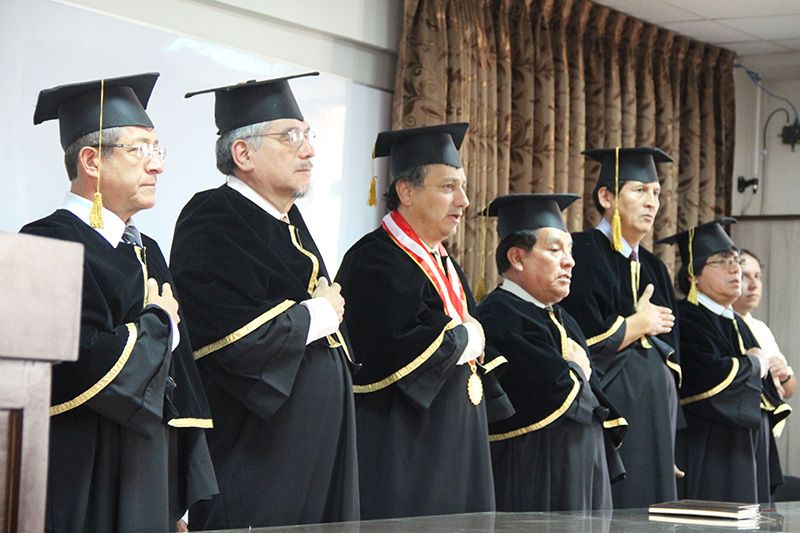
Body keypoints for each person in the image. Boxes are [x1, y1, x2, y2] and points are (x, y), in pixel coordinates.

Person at [20, 73, 217, 532]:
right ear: (91, 160)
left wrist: (176, 500)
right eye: (140, 150)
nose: (157, 166)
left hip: (149, 474)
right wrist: (157, 326)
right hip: (83, 473)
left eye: (157, 150)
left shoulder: (146, 249)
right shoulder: (46, 243)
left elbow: (179, 379)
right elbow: (75, 366)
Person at [169, 73, 359, 529]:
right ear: (243, 153)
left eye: (308, 136)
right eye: (291, 137)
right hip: (256, 454)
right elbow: (228, 341)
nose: (309, 150)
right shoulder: (212, 218)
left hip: (314, 453)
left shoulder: (288, 220)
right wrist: (317, 313)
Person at [335, 123, 512, 519]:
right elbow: (393, 344)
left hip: (456, 439)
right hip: (405, 444)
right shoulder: (374, 259)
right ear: (406, 191)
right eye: (449, 187)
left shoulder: (443, 259)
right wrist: (465, 337)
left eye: (462, 187)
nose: (464, 201)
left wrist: (471, 337)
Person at [477, 193, 627, 511]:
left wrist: (580, 371)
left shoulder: (560, 315)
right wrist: (579, 370)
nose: (570, 261)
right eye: (555, 250)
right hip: (535, 467)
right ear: (517, 258)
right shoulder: (499, 316)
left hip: (581, 464)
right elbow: (553, 391)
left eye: (570, 251)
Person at [559, 147, 681, 508]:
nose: (651, 202)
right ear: (607, 196)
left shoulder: (656, 268)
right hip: (613, 414)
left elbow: (674, 359)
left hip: (655, 419)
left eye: (656, 193)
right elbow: (576, 342)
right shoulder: (580, 253)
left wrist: (668, 440)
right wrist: (637, 325)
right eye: (639, 190)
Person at [658, 219, 790, 503]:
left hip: (748, 445)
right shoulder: (684, 318)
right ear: (693, 275)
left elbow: (769, 391)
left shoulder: (737, 322)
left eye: (736, 261)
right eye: (722, 262)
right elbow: (705, 377)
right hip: (712, 445)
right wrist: (755, 365)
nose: (735, 269)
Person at [733, 249, 796, 399]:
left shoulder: (761, 328)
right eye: (744, 277)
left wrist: (783, 374)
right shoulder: (717, 322)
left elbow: (790, 389)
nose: (754, 285)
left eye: (757, 276)